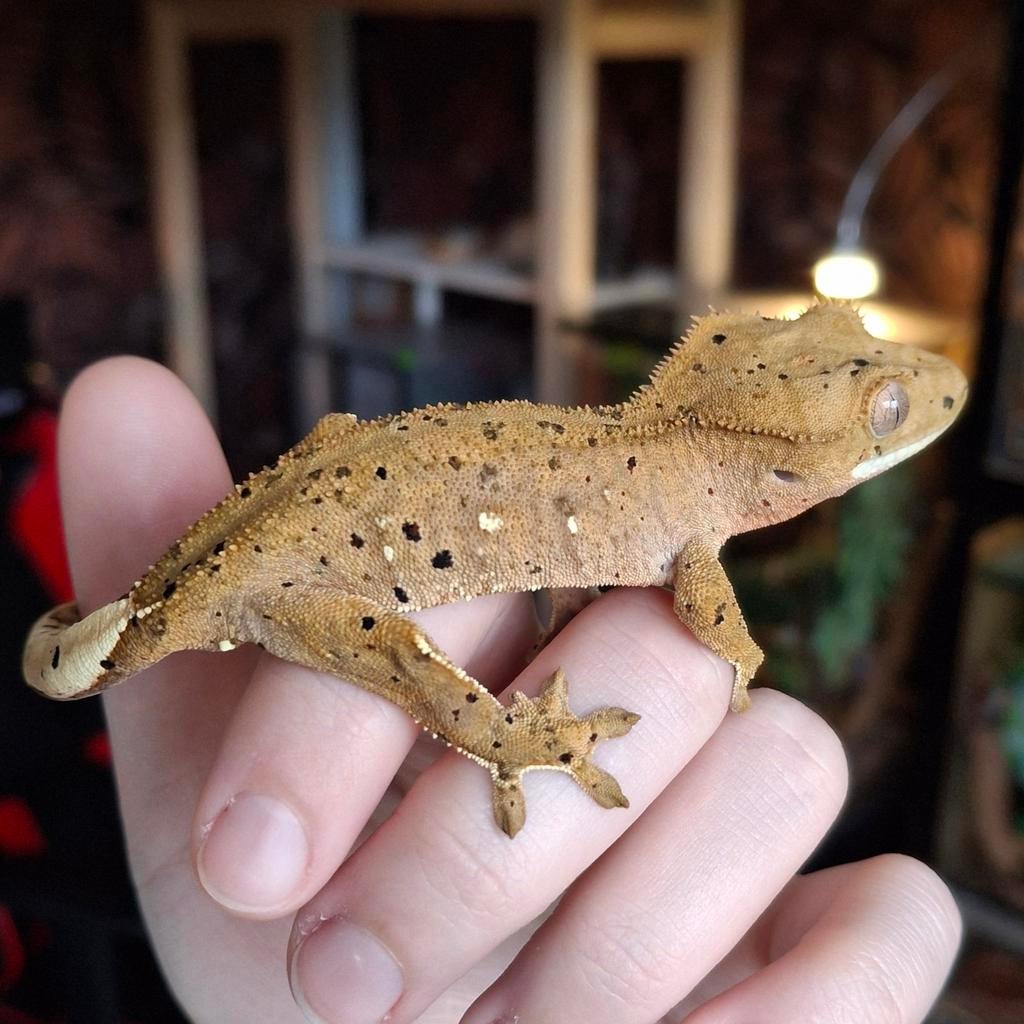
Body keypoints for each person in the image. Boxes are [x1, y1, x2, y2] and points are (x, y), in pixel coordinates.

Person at [58, 357, 962, 1024]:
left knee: (346, 466)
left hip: (303, 526)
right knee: (404, 654)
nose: (916, 401)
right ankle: (506, 743)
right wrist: (740, 658)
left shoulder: (671, 486)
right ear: (784, 459)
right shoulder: (695, 532)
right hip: (290, 583)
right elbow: (714, 625)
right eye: (884, 410)